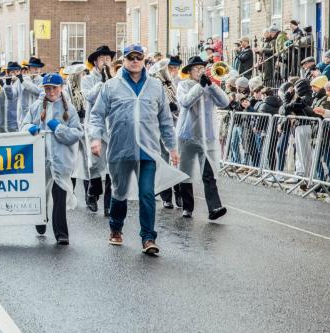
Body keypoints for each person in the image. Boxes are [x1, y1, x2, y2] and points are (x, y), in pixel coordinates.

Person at [88, 44, 184, 255]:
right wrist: (95, 138)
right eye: (130, 57)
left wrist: (172, 147)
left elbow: (166, 120)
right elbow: (96, 115)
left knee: (147, 194)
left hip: (148, 150)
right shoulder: (111, 86)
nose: (134, 61)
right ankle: (116, 228)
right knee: (120, 192)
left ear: (143, 60)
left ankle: (148, 238)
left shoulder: (156, 86)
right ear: (123, 60)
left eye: (138, 57)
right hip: (120, 149)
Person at [23, 73, 83, 245]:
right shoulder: (36, 107)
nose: (51, 92)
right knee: (41, 192)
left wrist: (58, 129)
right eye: (47, 88)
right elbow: (24, 125)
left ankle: (61, 234)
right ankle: (40, 220)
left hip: (61, 160)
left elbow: (77, 133)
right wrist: (30, 128)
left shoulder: (68, 109)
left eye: (54, 88)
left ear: (61, 88)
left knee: (59, 195)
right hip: (40, 159)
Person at [175, 56, 230, 219]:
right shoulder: (183, 85)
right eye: (197, 69)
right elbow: (185, 102)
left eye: (202, 69)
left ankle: (214, 207)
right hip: (187, 136)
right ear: (189, 72)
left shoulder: (209, 86)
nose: (200, 71)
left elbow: (224, 102)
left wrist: (211, 85)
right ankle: (187, 207)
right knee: (186, 172)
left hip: (207, 137)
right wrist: (200, 86)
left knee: (209, 173)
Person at [81, 45, 115, 214]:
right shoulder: (87, 79)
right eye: (102, 58)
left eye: (108, 59)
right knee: (94, 163)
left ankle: (109, 204)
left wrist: (110, 78)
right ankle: (92, 193)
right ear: (95, 61)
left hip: (111, 127)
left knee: (111, 165)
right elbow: (89, 97)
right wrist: (102, 82)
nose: (105, 61)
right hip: (94, 126)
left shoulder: (115, 78)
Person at [154, 55, 183, 209]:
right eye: (169, 68)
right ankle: (166, 197)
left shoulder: (180, 82)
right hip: (161, 126)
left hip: (176, 124)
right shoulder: (157, 82)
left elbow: (183, 103)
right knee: (164, 161)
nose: (172, 71)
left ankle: (178, 192)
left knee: (177, 161)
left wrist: (175, 106)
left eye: (174, 68)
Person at [0, 61, 22, 133]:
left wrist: (6, 85)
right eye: (12, 72)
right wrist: (0, 85)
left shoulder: (19, 83)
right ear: (9, 73)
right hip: (2, 121)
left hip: (13, 121)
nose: (15, 74)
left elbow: (11, 96)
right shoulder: (7, 81)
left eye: (17, 71)